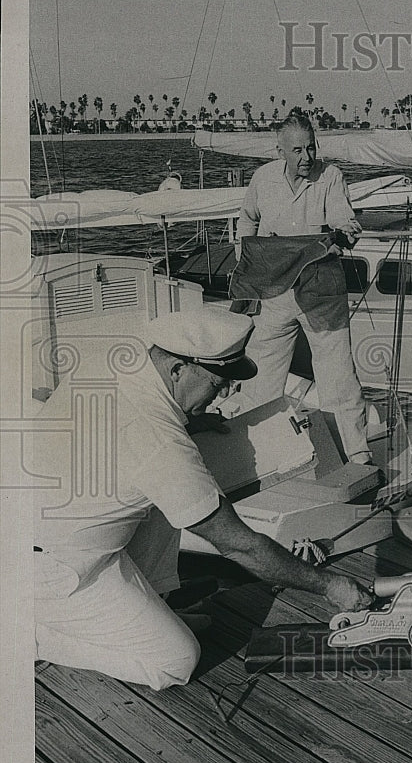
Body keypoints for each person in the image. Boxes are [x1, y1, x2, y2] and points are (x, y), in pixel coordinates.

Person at [33, 308, 371, 691]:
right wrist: (329, 585)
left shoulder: (117, 364)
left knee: (178, 500)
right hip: (54, 570)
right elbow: (239, 546)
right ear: (177, 369)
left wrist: (188, 421)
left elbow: (121, 432)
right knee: (176, 661)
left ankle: (153, 608)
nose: (224, 394)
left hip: (39, 530)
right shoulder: (159, 442)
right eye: (218, 383)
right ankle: (30, 636)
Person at [235, 113, 373, 464]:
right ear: (279, 150)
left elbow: (346, 221)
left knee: (338, 376)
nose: (306, 157)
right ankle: (255, 456)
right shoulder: (263, 178)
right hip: (274, 292)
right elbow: (247, 217)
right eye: (297, 150)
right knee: (261, 377)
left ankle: (356, 453)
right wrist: (246, 256)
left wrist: (343, 235)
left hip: (320, 291)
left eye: (311, 148)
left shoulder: (331, 177)